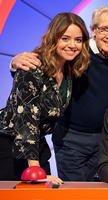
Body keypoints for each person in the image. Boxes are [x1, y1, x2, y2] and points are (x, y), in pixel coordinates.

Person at [11, 5, 108, 181]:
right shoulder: (76, 52)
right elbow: (42, 66)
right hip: (68, 138)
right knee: (74, 191)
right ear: (93, 30)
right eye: (104, 29)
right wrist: (16, 62)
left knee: (100, 191)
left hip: (105, 139)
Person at [0, 12, 90, 184]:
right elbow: (27, 119)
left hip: (38, 146)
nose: (72, 45)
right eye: (65, 38)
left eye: (78, 40)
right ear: (53, 38)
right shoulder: (32, 66)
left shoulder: (69, 69)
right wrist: (34, 170)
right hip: (8, 146)